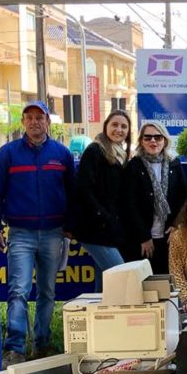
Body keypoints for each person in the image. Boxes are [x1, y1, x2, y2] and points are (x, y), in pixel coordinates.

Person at [0, 100, 74, 367]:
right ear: (23, 122)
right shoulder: (8, 154)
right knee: (18, 291)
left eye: (40, 117)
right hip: (20, 234)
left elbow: (73, 194)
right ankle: (15, 348)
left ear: (48, 121)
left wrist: (69, 227)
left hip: (53, 233)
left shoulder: (62, 154)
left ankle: (42, 345)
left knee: (47, 292)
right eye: (29, 117)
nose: (35, 122)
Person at [73, 109, 132, 290]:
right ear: (106, 126)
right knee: (123, 278)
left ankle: (100, 318)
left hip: (110, 230)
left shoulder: (120, 154)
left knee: (105, 286)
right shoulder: (95, 151)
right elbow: (84, 190)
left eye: (124, 126)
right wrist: (103, 217)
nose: (119, 130)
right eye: (114, 125)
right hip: (94, 230)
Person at [123, 120, 187, 275]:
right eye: (147, 137)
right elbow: (129, 204)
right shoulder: (134, 166)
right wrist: (143, 237)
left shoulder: (174, 164)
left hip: (169, 236)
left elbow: (185, 197)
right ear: (141, 141)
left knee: (167, 283)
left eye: (158, 137)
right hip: (143, 239)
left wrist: (177, 225)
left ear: (165, 140)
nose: (153, 141)